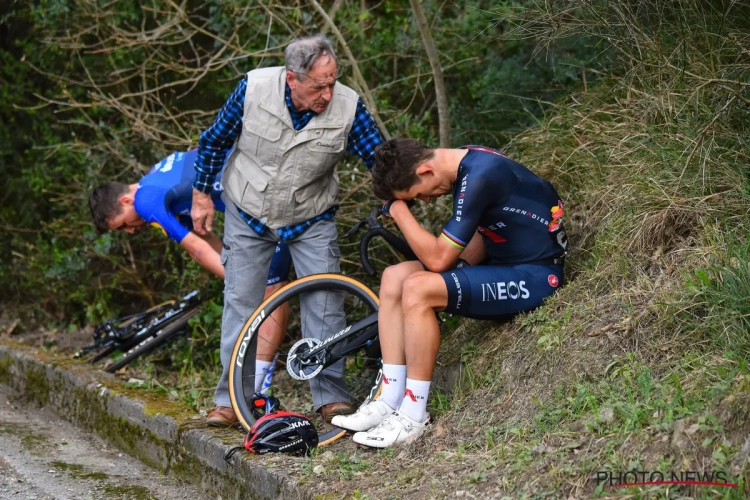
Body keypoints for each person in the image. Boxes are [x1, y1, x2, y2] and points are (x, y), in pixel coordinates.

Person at [190, 34, 384, 426]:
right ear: (292, 78)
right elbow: (213, 142)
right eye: (318, 85)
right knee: (241, 303)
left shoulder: (348, 106)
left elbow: (379, 157)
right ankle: (231, 400)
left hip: (313, 216)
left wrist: (396, 197)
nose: (328, 94)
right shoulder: (254, 88)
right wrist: (201, 197)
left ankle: (331, 397)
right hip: (249, 211)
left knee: (326, 301)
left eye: (332, 82)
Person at [332, 138, 568, 447]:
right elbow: (484, 234)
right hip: (503, 265)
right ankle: (388, 399)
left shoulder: (480, 174)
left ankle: (413, 416)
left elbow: (438, 259)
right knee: (394, 278)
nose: (427, 201)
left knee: (417, 290)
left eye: (418, 194)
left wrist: (399, 211)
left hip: (537, 276)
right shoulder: (468, 160)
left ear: (426, 170)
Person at [88, 149, 292, 408]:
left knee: (270, 289)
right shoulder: (156, 181)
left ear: (126, 201)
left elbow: (196, 249)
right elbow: (205, 236)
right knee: (266, 287)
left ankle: (257, 388)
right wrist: (236, 276)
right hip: (256, 188)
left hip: (264, 190)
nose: (129, 231)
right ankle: (254, 388)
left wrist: (240, 283)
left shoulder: (145, 200)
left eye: (123, 225)